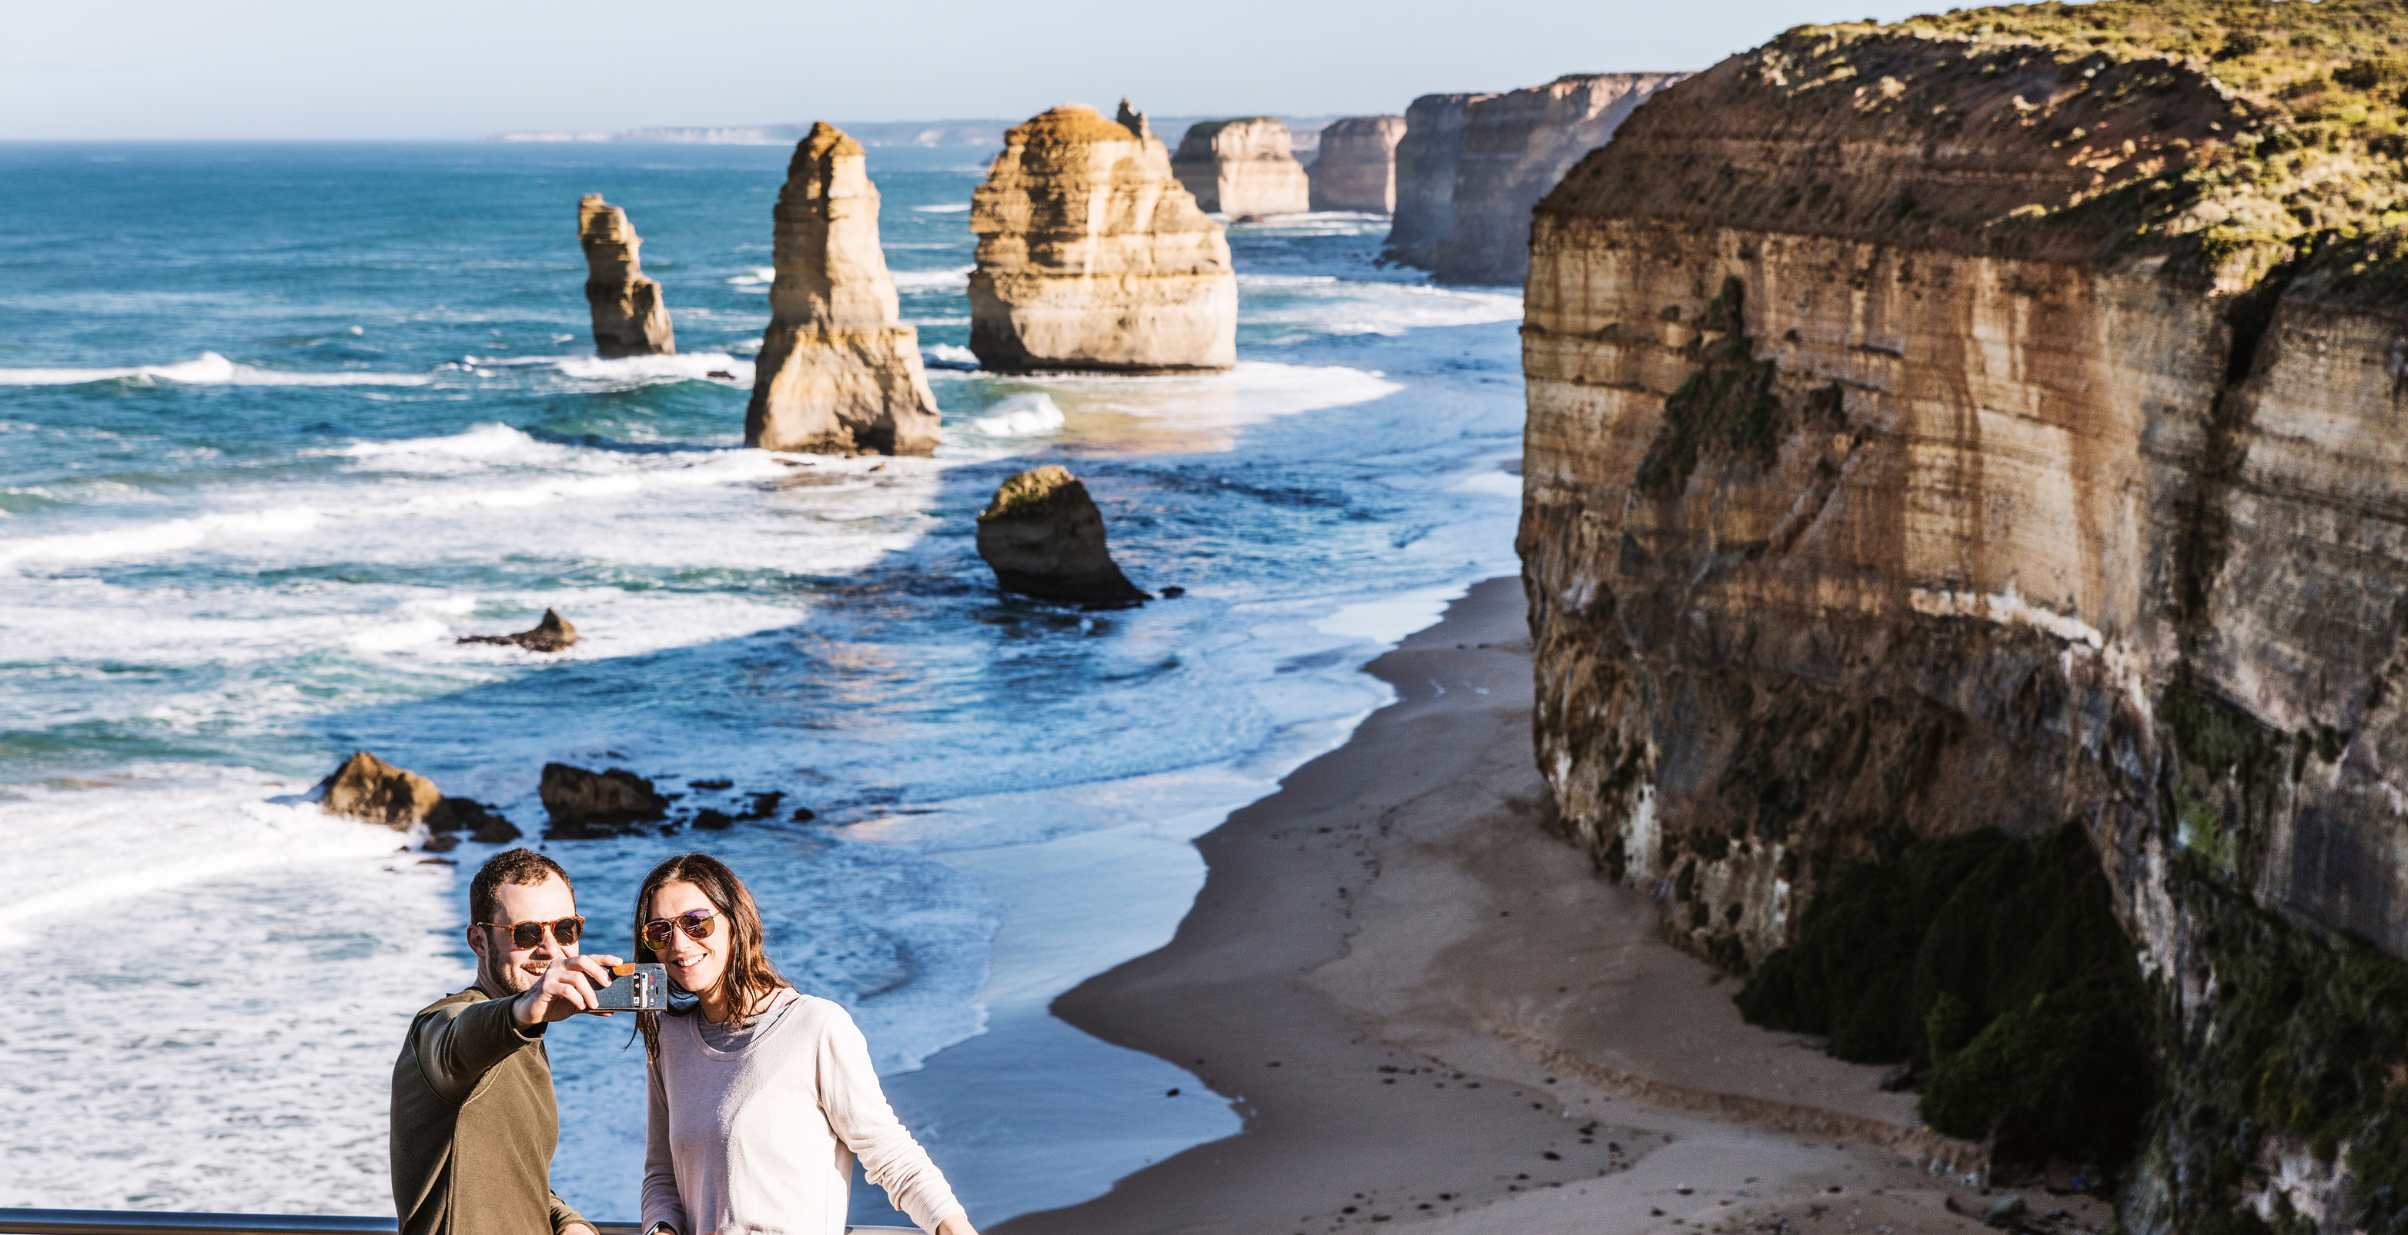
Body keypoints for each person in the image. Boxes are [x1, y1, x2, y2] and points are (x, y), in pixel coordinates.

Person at [634, 853, 978, 1235]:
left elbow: (891, 1156)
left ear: (735, 923)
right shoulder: (669, 1040)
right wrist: (660, 1229)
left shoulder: (815, 1026)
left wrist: (954, 1228)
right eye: (660, 932)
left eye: (696, 923)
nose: (679, 944)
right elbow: (662, 1174)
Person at [391, 847, 622, 1235]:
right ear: (478, 941)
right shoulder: (441, 1027)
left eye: (565, 929)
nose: (550, 949)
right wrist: (527, 1008)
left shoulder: (524, 1036)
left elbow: (510, 1173)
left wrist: (566, 1221)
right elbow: (457, 1039)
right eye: (527, 933)